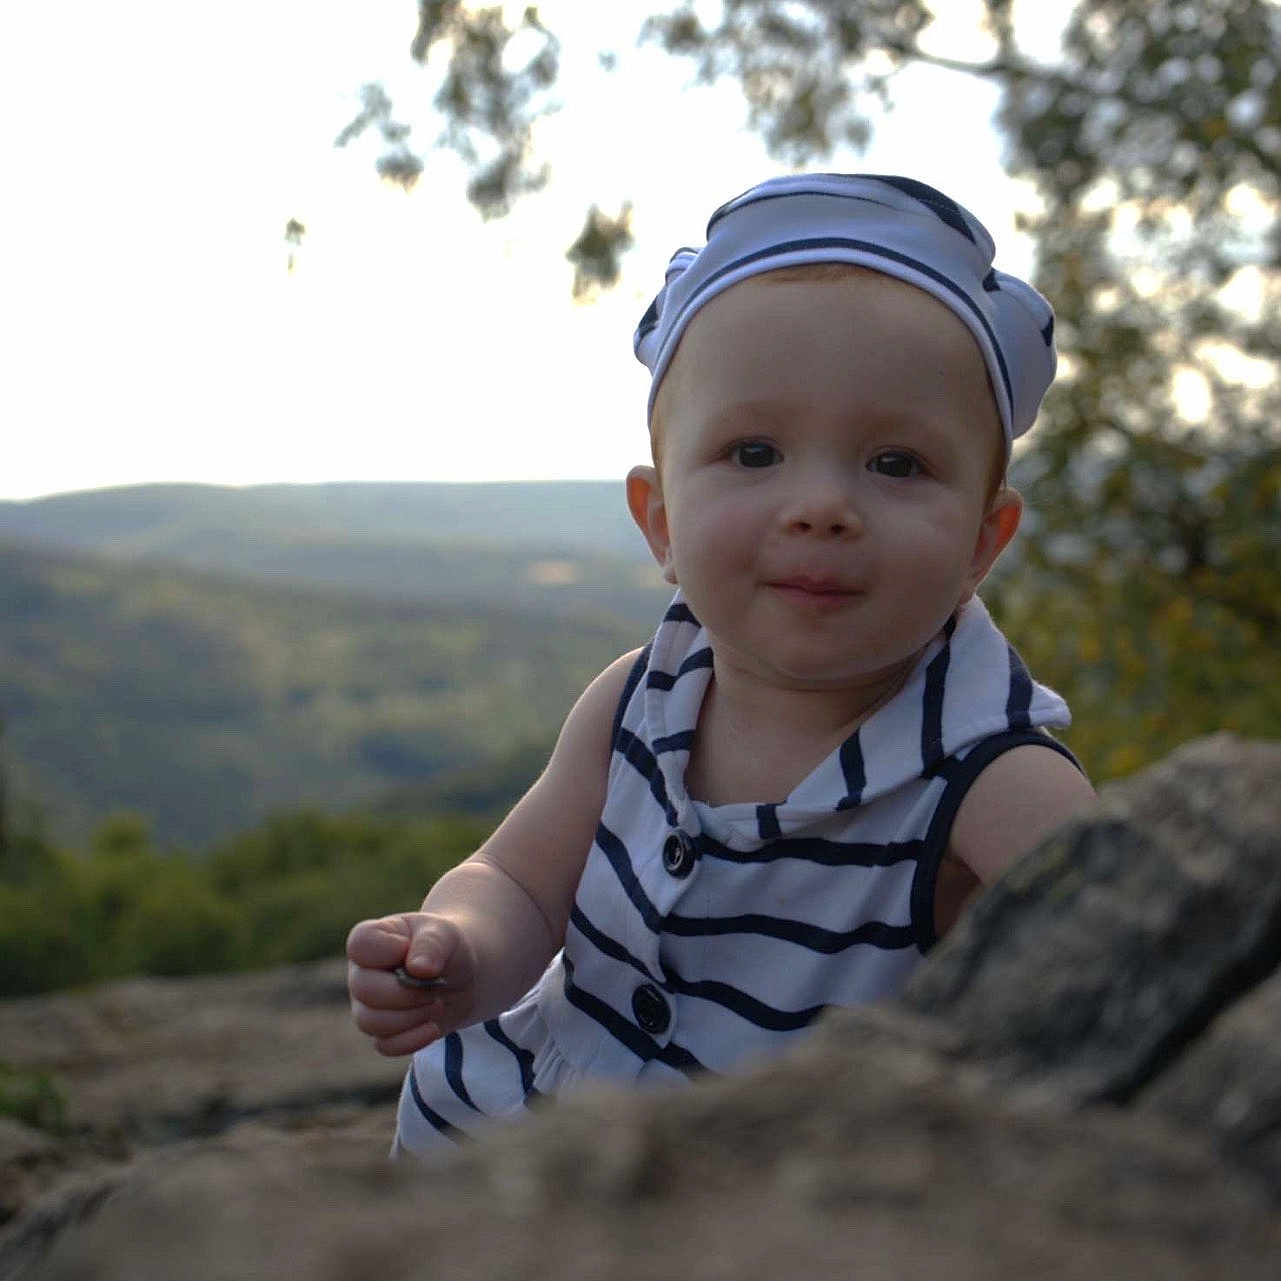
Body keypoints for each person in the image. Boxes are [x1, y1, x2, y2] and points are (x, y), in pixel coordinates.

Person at [347, 173, 1097, 1157]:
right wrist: (460, 952)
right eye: (753, 453)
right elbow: (521, 884)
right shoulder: (635, 699)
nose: (820, 506)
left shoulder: (990, 778)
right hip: (497, 1141)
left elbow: (1137, 947)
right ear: (659, 521)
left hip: (752, 1205)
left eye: (896, 464)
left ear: (982, 544)